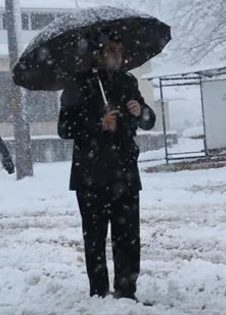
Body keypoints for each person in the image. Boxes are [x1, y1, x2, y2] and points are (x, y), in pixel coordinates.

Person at [58, 31, 156, 301]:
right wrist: (96, 124)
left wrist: (141, 111)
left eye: (120, 51)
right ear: (98, 54)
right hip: (90, 175)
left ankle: (126, 291)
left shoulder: (128, 82)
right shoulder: (78, 85)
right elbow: (64, 128)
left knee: (128, 237)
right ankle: (99, 293)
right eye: (112, 50)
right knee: (95, 238)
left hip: (124, 172)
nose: (118, 56)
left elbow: (149, 121)